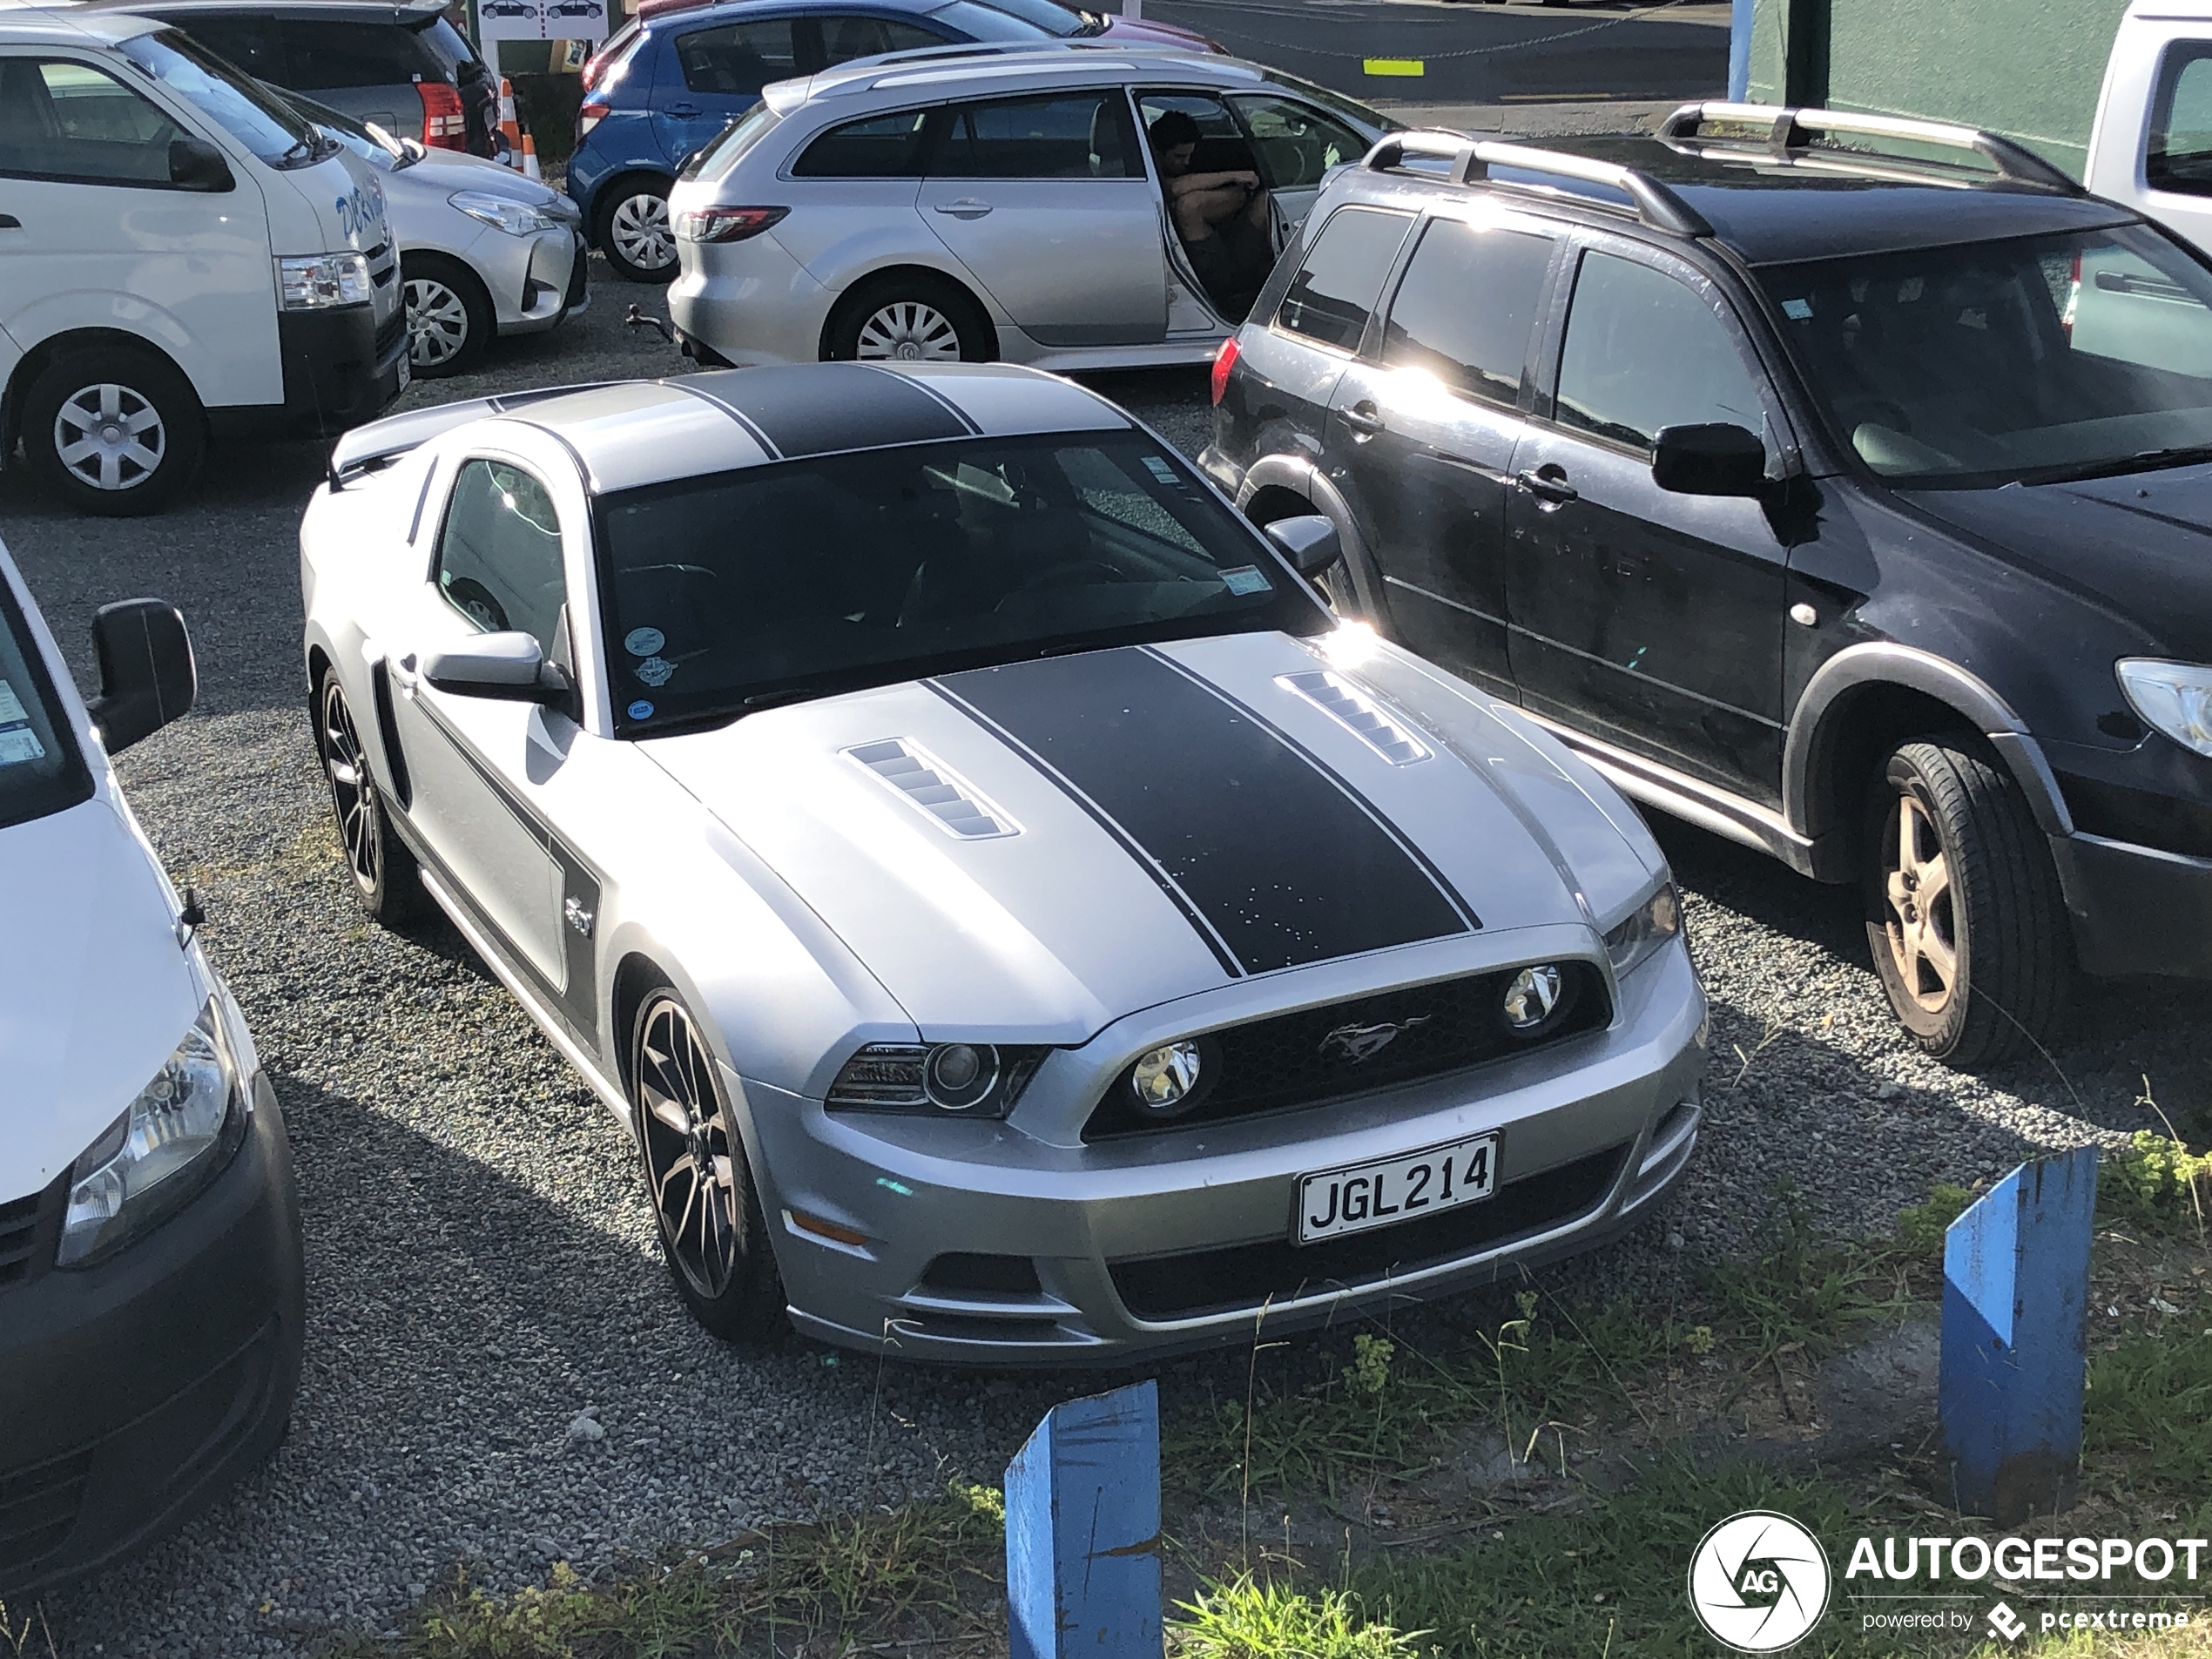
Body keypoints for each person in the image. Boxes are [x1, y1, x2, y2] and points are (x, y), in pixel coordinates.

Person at [1148, 110, 1273, 320]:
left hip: (1234, 248)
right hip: (1207, 275)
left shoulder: (1202, 162)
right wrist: (1234, 175)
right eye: (1179, 157)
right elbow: (1175, 188)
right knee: (1190, 205)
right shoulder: (1148, 167)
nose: (1186, 162)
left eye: (1189, 155)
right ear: (1158, 152)